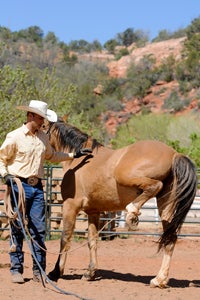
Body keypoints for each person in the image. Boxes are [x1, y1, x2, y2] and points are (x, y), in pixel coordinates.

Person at [0, 100, 91, 284]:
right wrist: (5, 175)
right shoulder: (14, 136)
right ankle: (16, 269)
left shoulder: (43, 138)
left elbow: (52, 156)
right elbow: (1, 159)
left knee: (39, 230)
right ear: (31, 116)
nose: (43, 122)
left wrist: (74, 154)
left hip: (36, 188)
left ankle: (38, 270)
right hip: (19, 185)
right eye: (41, 117)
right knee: (17, 229)